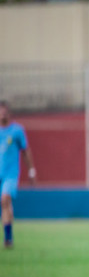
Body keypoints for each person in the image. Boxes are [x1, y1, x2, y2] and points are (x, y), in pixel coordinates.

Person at [0, 101, 36, 248]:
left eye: (4, 111)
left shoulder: (17, 131)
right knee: (5, 204)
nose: (2, 114)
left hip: (10, 174)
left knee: (5, 199)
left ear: (9, 113)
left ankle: (8, 238)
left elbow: (26, 151)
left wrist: (31, 171)